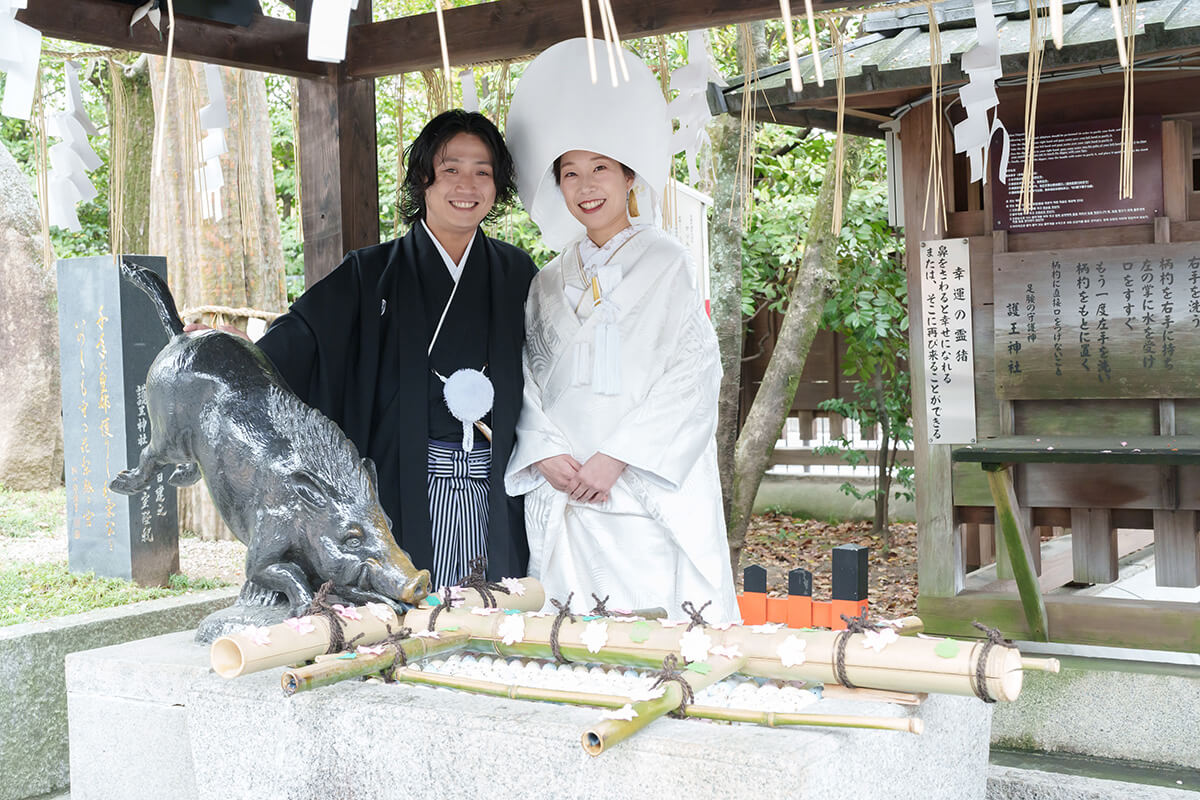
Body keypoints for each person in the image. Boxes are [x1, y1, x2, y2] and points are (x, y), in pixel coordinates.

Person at [503, 39, 738, 622]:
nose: (586, 186)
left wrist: (617, 458)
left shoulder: (668, 261)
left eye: (600, 167)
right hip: (566, 490)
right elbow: (527, 377)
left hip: (639, 486)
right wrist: (546, 451)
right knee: (573, 632)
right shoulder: (548, 280)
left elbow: (693, 373)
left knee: (655, 629)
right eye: (570, 172)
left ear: (629, 173)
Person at [256, 110, 537, 591]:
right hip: (405, 483)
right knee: (412, 614)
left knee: (493, 609)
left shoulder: (516, 272)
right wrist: (237, 352)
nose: (466, 184)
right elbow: (297, 344)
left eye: (482, 172)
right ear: (423, 178)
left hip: (495, 486)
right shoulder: (370, 273)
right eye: (450, 169)